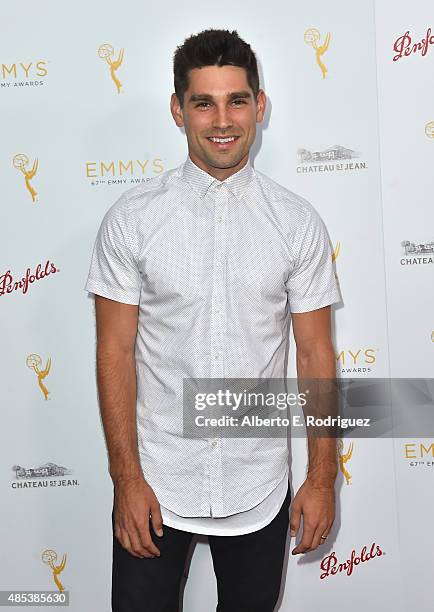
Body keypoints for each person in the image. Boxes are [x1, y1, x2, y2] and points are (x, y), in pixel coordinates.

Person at [84, 28, 342, 612]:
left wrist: (321, 477)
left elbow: (316, 354)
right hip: (157, 482)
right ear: (178, 110)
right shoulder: (132, 219)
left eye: (236, 100)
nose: (222, 119)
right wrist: (126, 479)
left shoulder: (297, 223)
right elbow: (113, 351)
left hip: (259, 484)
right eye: (204, 102)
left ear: (260, 105)